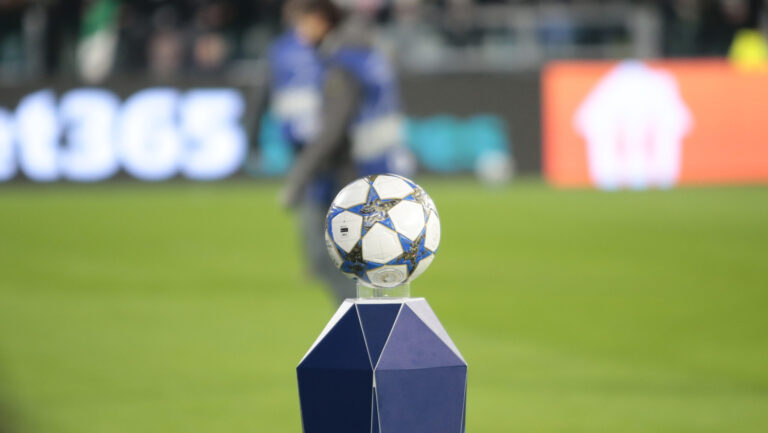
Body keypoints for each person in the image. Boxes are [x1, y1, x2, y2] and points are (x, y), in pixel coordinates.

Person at [279, 0, 413, 304]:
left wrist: (299, 178)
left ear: (322, 20)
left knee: (329, 259)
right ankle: (372, 326)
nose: (299, 32)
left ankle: (359, 327)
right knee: (374, 268)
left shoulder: (341, 64)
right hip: (386, 171)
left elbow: (332, 131)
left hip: (354, 176)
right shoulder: (371, 51)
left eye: (303, 23)